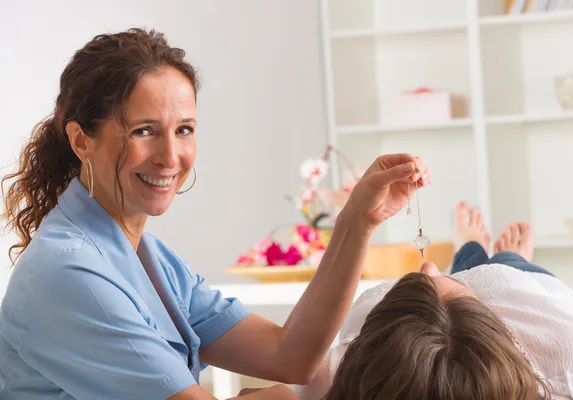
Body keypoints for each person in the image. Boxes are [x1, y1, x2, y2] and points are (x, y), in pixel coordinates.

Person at [0, 28, 431, 400]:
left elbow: (290, 355)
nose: (171, 156)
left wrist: (359, 218)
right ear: (81, 142)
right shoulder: (69, 272)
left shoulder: (152, 259)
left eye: (184, 130)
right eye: (144, 131)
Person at [294, 202, 573, 400]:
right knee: (507, 261)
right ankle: (483, 252)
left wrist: (355, 221)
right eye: (460, 286)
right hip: (520, 284)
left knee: (467, 264)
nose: (428, 266)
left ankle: (469, 248)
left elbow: (292, 362)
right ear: (501, 330)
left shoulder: (336, 375)